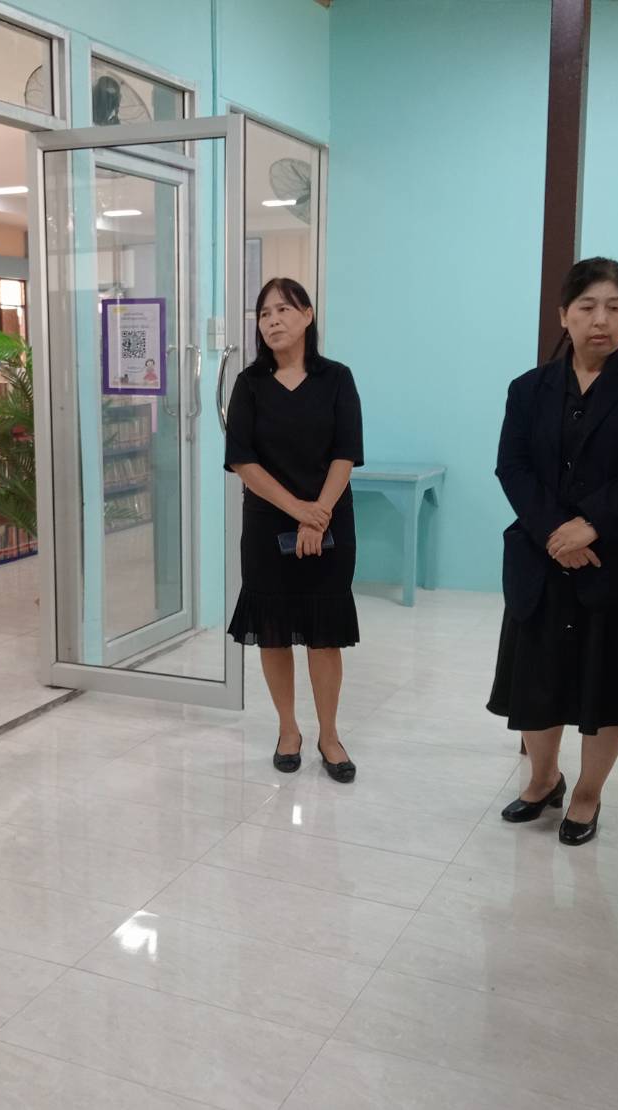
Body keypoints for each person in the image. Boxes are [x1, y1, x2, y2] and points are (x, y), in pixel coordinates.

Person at [488, 258, 618, 845]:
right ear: (564, 315)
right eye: (587, 307)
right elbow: (512, 466)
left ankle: (587, 793)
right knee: (539, 678)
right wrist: (557, 532)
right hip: (543, 556)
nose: (600, 320)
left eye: (614, 307)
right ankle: (543, 779)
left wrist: (592, 526)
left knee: (610, 684)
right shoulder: (528, 388)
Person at [225, 277, 363, 783]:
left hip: (330, 521)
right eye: (264, 314)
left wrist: (318, 512)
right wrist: (299, 511)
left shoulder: (337, 378)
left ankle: (329, 735)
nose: (273, 320)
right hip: (267, 523)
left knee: (324, 635)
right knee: (274, 633)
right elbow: (243, 461)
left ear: (307, 316)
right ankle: (288, 729)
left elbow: (346, 452)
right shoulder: (249, 384)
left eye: (284, 309)